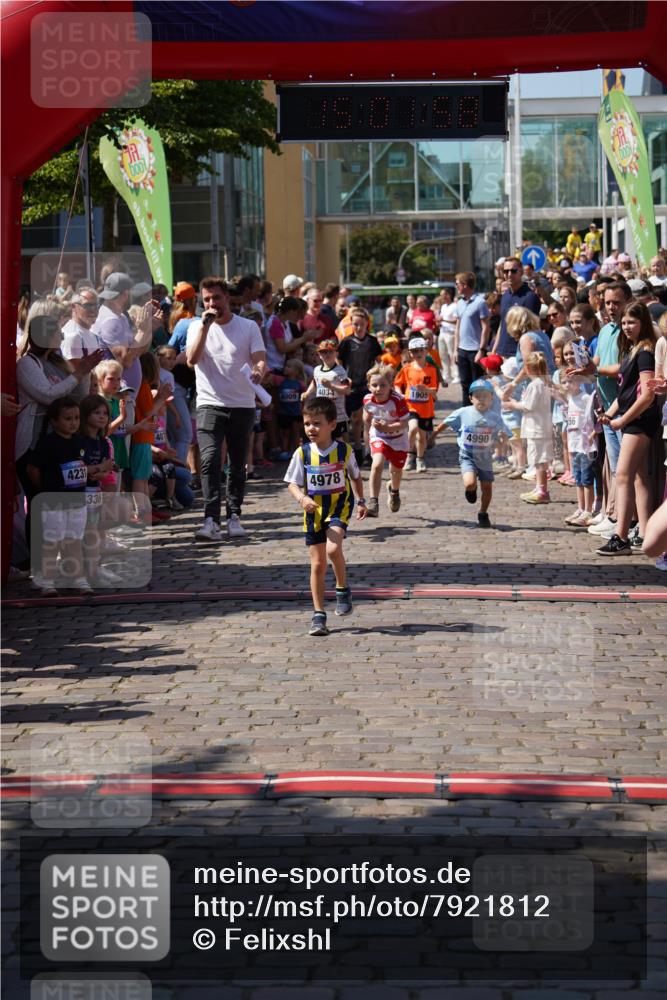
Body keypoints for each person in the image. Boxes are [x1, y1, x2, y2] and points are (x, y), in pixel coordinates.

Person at [186, 276, 267, 542]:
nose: (212, 304)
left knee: (237, 463)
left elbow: (260, 359)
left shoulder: (248, 326)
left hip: (242, 404)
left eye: (216, 298)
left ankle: (234, 516)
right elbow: (191, 359)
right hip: (209, 403)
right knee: (209, 460)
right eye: (207, 299)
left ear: (227, 298)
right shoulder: (196, 327)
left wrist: (259, 371)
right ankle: (210, 519)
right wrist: (205, 327)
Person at [284, 397, 367, 637]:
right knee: (318, 564)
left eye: (317, 423)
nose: (311, 428)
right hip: (314, 513)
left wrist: (361, 500)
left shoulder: (343, 450)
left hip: (339, 508)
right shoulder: (302, 453)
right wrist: (302, 498)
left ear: (332, 424)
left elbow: (355, 476)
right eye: (307, 424)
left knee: (333, 549)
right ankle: (319, 614)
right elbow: (291, 483)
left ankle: (342, 589)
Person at [596, 302, 660, 555]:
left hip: (640, 420)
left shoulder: (645, 352)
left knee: (622, 476)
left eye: (632, 322)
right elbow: (625, 391)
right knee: (638, 477)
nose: (626, 327)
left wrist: (622, 421)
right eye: (623, 323)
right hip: (632, 418)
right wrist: (611, 413)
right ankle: (644, 533)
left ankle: (620, 536)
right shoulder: (632, 350)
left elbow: (647, 395)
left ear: (643, 323)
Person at [436, 379, 510, 528]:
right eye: (478, 396)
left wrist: (502, 438)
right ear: (471, 398)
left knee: (487, 487)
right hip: (467, 455)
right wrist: (433, 435)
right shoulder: (463, 412)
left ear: (491, 398)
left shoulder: (495, 418)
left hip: (485, 457)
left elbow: (504, 438)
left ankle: (483, 513)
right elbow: (446, 422)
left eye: (485, 396)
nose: (481, 399)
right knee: (469, 483)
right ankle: (471, 489)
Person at [503, 351, 553, 504]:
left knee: (539, 460)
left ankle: (542, 490)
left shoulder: (535, 384)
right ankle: (538, 488)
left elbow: (529, 405)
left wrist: (512, 405)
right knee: (537, 459)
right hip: (539, 426)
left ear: (528, 369)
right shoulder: (543, 382)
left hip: (537, 428)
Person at [362, 363, 410, 516]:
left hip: (398, 438)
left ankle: (394, 491)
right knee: (377, 465)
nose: (378, 389)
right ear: (369, 386)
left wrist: (388, 427)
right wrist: (367, 441)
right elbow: (367, 419)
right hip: (379, 436)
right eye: (374, 385)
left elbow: (404, 423)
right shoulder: (367, 400)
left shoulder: (398, 400)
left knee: (396, 470)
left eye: (383, 385)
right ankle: (373, 502)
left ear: (390, 385)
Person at [338, 308, 382, 465]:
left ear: (366, 324)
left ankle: (369, 451)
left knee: (367, 419)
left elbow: (379, 361)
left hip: (367, 385)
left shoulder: (372, 341)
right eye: (355, 324)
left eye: (361, 324)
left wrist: (375, 373)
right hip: (351, 386)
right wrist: (343, 377)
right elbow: (339, 361)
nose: (358, 327)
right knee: (354, 420)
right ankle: (357, 449)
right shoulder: (347, 342)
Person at [554, 372, 598, 527]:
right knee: (578, 479)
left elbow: (593, 417)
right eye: (564, 382)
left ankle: (588, 510)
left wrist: (593, 433)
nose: (567, 385)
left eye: (570, 381)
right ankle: (580, 508)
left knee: (586, 479)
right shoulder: (570, 399)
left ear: (579, 381)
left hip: (585, 446)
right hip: (574, 446)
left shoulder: (585, 398)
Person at [394, 336, 439, 473]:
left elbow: (434, 390)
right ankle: (409, 455)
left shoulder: (431, 370)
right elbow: (397, 384)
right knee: (412, 428)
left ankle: (420, 459)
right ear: (410, 353)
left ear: (426, 351)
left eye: (421, 350)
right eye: (414, 351)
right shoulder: (407, 369)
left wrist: (426, 390)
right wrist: (400, 395)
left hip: (426, 408)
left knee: (422, 436)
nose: (418, 353)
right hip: (411, 406)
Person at [453, 271, 491, 404]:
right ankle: (466, 410)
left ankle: (480, 410)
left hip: (475, 350)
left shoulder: (480, 302)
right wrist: (455, 350)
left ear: (465, 285)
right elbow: (457, 328)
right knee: (465, 384)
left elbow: (486, 328)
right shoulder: (459, 303)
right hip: (462, 350)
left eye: (457, 284)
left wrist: (482, 350)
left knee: (477, 385)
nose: (456, 286)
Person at [302, 339, 351, 441]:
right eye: (324, 352)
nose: (327, 354)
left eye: (330, 352)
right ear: (319, 355)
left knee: (339, 440)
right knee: (323, 438)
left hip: (337, 414)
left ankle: (348, 451)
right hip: (322, 414)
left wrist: (331, 386)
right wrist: (307, 393)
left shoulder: (340, 371)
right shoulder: (317, 370)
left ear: (336, 353)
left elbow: (347, 390)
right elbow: (315, 383)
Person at [494, 257, 541, 358]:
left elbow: (532, 329)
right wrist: (495, 350)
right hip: (502, 352)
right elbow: (502, 324)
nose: (509, 274)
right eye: (506, 271)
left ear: (521, 272)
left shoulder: (530, 297)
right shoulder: (505, 295)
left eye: (513, 271)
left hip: (519, 354)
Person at [60, 289, 103, 393]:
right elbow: (71, 374)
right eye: (88, 305)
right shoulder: (72, 335)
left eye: (96, 306)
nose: (93, 310)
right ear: (73, 307)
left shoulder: (93, 335)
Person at [274, 357, 306, 459]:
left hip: (296, 413)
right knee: (285, 433)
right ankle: (284, 451)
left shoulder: (300, 384)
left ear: (296, 371)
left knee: (296, 433)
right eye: (285, 366)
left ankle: (298, 452)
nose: (285, 368)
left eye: (288, 366)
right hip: (283, 412)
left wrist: (304, 410)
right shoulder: (280, 381)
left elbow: (304, 398)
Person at [438, 287, 458, 383]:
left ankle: (456, 375)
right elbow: (442, 318)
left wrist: (444, 320)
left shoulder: (455, 306)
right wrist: (439, 321)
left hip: (451, 333)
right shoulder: (443, 306)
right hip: (442, 332)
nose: (441, 297)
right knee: (443, 355)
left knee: (452, 355)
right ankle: (446, 375)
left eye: (443, 295)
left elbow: (456, 321)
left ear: (448, 295)